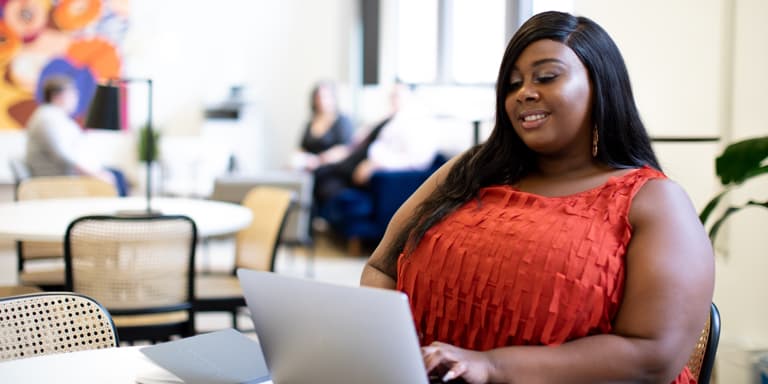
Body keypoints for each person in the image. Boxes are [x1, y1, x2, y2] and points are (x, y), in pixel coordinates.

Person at [360, 11, 714, 384]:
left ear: (601, 86)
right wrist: (389, 352)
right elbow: (382, 267)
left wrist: (492, 366)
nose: (524, 92)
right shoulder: (470, 170)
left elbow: (653, 356)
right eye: (513, 84)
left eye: (546, 77)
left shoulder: (652, 200)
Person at [312, 83, 439, 205]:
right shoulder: (390, 120)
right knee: (318, 175)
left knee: (322, 178)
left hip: (370, 168)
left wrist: (375, 164)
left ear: (410, 96)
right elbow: (358, 141)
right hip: (357, 159)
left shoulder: (417, 123)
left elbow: (417, 161)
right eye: (391, 95)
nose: (393, 99)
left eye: (397, 95)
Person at [25, 75, 128, 196]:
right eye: (72, 93)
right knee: (114, 177)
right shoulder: (47, 118)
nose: (76, 98)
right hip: (57, 179)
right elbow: (64, 157)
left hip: (68, 173)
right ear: (57, 96)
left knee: (116, 173)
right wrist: (95, 174)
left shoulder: (56, 116)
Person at [292, 81, 354, 172]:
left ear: (333, 98)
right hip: (309, 170)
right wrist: (297, 161)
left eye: (325, 97)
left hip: (333, 170)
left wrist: (318, 160)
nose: (321, 101)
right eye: (318, 97)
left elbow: (345, 149)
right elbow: (301, 148)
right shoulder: (310, 123)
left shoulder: (342, 121)